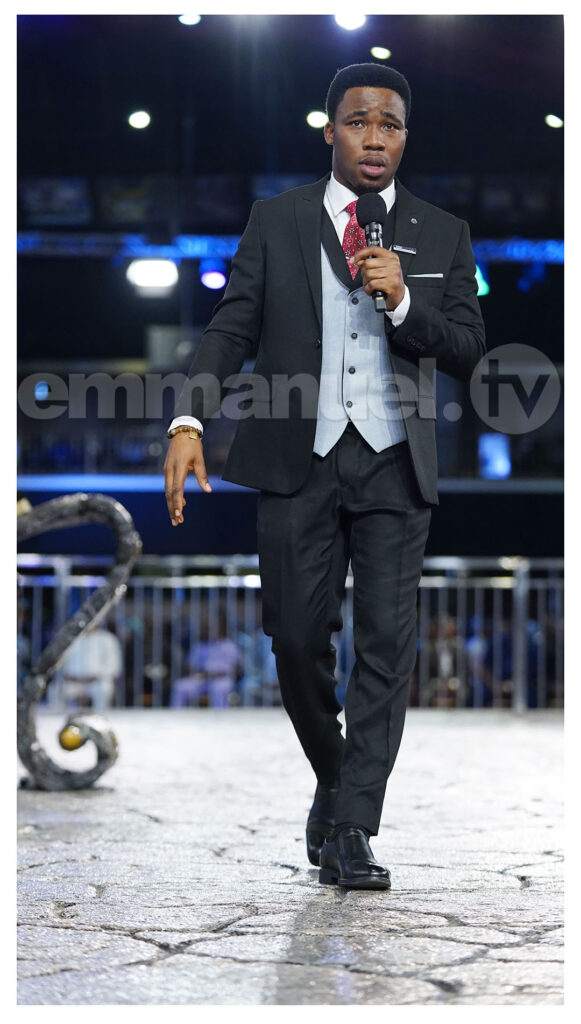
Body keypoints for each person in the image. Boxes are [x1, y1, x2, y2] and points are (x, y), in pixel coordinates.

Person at [164, 63, 486, 890]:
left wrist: (404, 304)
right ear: (330, 130)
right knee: (297, 640)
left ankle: (351, 829)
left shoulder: (442, 232)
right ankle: (336, 779)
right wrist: (189, 421)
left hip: (394, 461)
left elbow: (467, 349)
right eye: (358, 121)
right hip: (294, 459)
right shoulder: (275, 220)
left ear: (404, 137)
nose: (375, 138)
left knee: (385, 650)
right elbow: (230, 328)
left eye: (390, 124)